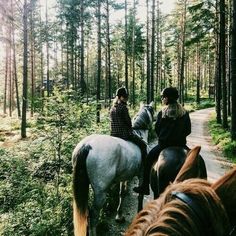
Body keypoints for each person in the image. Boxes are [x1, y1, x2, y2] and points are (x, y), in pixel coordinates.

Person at [133, 87, 191, 195]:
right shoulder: (184, 113)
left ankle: (145, 186)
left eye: (163, 97)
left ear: (167, 98)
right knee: (196, 159)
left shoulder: (162, 113)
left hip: (164, 146)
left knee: (149, 159)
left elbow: (157, 129)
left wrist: (164, 136)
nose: (162, 99)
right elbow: (188, 130)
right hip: (181, 145)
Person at [110, 87, 147, 163]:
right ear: (120, 97)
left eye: (126, 96)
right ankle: (144, 165)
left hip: (113, 134)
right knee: (143, 145)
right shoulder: (123, 107)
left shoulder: (112, 108)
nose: (126, 98)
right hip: (124, 134)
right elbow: (128, 122)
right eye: (124, 96)